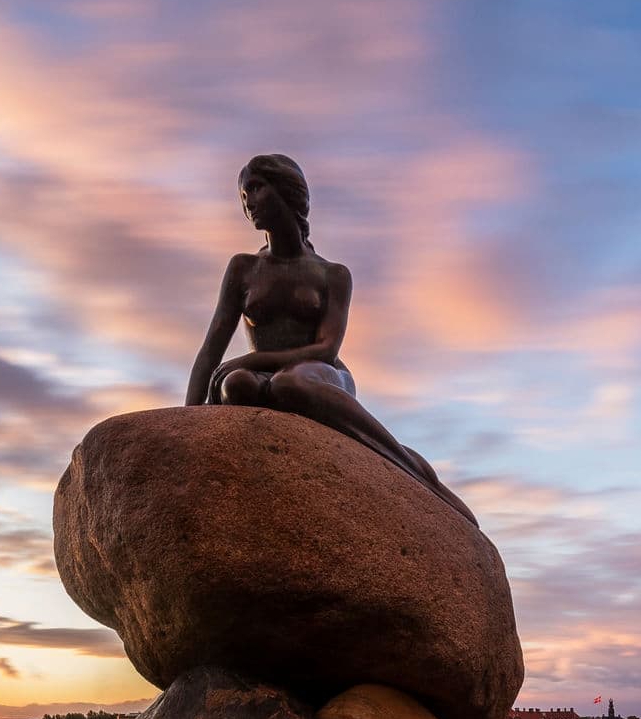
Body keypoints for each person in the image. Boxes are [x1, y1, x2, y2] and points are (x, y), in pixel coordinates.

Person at [186, 154, 479, 527]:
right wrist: (187, 422)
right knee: (236, 385)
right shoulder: (244, 268)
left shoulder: (332, 274)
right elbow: (211, 348)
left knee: (290, 382)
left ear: (288, 191)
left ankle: (411, 469)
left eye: (257, 188)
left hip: (323, 374)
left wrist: (250, 360)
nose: (249, 203)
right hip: (267, 378)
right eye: (244, 195)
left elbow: (327, 348)